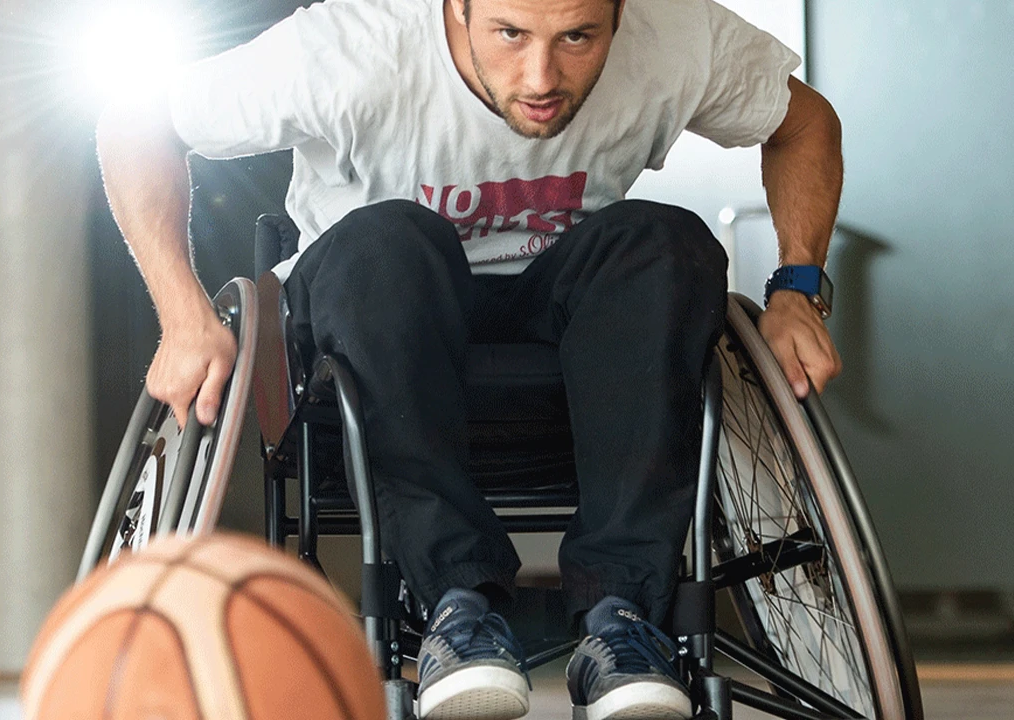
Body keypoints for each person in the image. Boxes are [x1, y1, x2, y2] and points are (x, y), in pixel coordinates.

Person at [95, 0, 843, 716]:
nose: (542, 76)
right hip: (381, 329)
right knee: (387, 237)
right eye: (510, 33)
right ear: (456, 7)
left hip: (572, 339)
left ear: (623, 12)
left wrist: (798, 288)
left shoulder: (680, 35)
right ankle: (458, 607)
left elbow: (804, 123)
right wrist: (182, 313)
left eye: (578, 37)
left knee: (666, 240)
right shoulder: (351, 47)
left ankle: (623, 621)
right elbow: (139, 122)